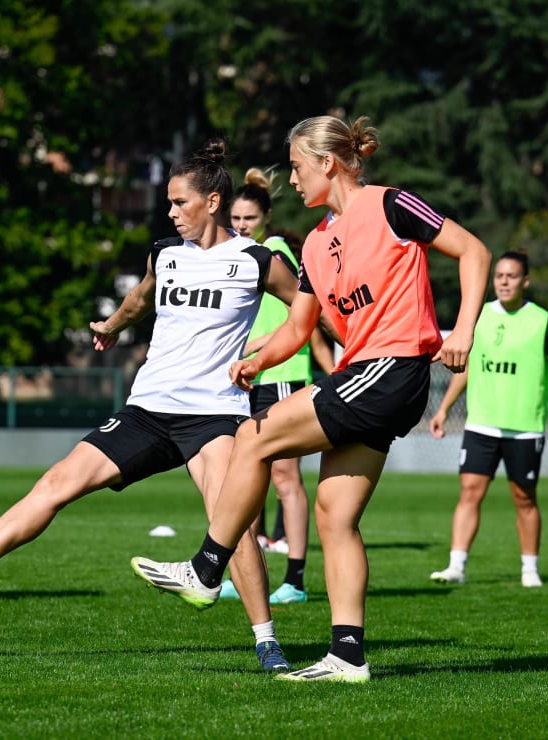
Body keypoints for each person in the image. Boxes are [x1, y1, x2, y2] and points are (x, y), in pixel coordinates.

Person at [0, 138, 303, 672]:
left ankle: (267, 642)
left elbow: (308, 308)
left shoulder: (256, 259)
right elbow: (141, 297)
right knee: (59, 481)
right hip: (148, 409)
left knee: (237, 525)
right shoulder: (165, 253)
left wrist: (316, 345)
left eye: (180, 202)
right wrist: (112, 326)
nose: (171, 212)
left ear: (211, 202)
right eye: (169, 203)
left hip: (214, 415)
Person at [130, 115, 491, 683]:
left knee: (254, 436)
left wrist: (463, 329)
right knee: (335, 515)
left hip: (390, 370)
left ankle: (205, 568)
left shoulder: (392, 204)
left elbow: (473, 251)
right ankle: (348, 655)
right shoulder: (317, 245)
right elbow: (300, 326)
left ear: (328, 163)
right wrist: (257, 359)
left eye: (297, 167)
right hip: (371, 379)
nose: (291, 180)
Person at [218, 168, 335, 606]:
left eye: (250, 218)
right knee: (245, 476)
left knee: (286, 480)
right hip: (252, 377)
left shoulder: (276, 251)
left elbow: (299, 318)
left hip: (281, 375)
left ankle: (296, 580)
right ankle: (248, 575)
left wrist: (253, 347)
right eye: (237, 218)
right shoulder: (238, 254)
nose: (243, 225)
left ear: (266, 216)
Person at [428, 251, 548, 588]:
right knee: (469, 492)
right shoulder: (478, 316)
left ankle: (529, 570)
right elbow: (466, 370)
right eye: (499, 276)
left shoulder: (542, 320)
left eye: (511, 276)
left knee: (524, 497)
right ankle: (456, 567)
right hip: (482, 423)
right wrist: (444, 408)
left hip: (524, 427)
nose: (504, 282)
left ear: (526, 281)